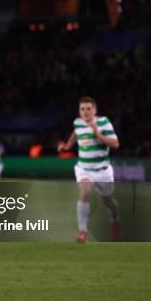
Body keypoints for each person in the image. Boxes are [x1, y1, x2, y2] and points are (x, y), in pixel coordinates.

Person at [58, 96, 120, 242]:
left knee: (108, 201)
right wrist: (67, 145)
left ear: (95, 110)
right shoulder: (78, 123)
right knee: (85, 192)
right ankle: (82, 232)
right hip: (84, 169)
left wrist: (97, 133)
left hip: (103, 171)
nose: (85, 112)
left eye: (88, 109)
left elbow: (115, 144)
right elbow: (75, 134)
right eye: (82, 109)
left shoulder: (103, 122)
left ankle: (115, 222)